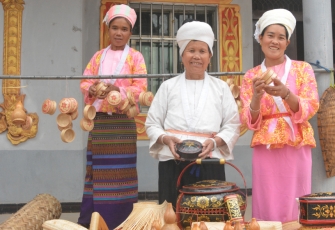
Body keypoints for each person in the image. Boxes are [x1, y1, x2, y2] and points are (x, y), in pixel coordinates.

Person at [145, 21, 241, 209]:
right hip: (172, 161)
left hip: (210, 161)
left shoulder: (220, 88)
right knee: (172, 214)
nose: (196, 56)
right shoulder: (168, 87)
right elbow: (152, 123)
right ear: (182, 56)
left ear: (210, 56)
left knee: (210, 215)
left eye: (202, 51)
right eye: (191, 50)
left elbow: (232, 124)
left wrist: (215, 142)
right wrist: (165, 139)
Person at [239, 9, 319, 222]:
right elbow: (248, 120)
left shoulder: (303, 70)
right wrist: (256, 96)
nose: (275, 41)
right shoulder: (251, 76)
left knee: (296, 197)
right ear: (260, 38)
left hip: (296, 143)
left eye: (281, 37)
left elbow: (311, 105)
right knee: (267, 199)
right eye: (270, 35)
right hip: (265, 149)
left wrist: (286, 93)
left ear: (288, 42)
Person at [78, 4, 147, 229]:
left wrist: (119, 91)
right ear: (108, 29)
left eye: (124, 29)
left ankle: (121, 221)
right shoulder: (98, 57)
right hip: (100, 124)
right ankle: (96, 220)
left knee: (122, 174)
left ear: (130, 32)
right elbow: (85, 81)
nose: (119, 33)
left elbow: (141, 87)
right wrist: (93, 89)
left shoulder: (136, 58)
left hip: (122, 124)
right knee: (96, 172)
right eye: (115, 27)